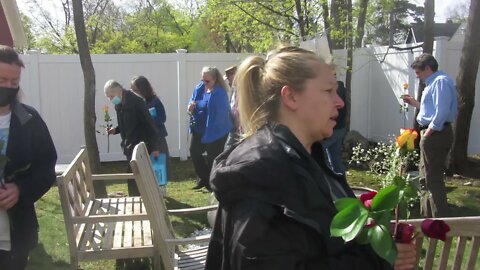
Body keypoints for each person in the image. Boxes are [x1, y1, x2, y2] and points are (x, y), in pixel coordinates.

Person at [205, 47, 416, 269]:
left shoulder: (309, 160)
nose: (339, 102)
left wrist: (375, 241)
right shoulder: (262, 173)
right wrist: (374, 261)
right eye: (328, 91)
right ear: (291, 97)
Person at [0, 45, 57, 270]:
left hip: (15, 233)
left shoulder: (29, 119)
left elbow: (46, 168)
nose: (8, 87)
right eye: (2, 79)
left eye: (14, 82)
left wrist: (21, 189)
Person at [402, 53, 457, 218]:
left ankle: (439, 220)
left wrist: (429, 133)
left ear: (427, 68)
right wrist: (415, 104)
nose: (417, 76)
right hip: (431, 133)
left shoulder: (441, 82)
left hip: (436, 134)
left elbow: (442, 112)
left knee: (432, 180)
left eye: (418, 72)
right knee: (425, 179)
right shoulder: (433, 82)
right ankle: (427, 217)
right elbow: (431, 110)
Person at [104, 80, 159, 195]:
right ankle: (139, 197)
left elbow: (149, 125)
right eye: (108, 97)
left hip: (140, 144)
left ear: (119, 91)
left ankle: (138, 198)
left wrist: (154, 147)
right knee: (135, 176)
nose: (110, 100)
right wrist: (116, 130)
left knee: (134, 176)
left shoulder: (136, 101)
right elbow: (126, 123)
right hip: (128, 145)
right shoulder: (118, 104)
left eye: (111, 96)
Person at [188, 66, 233, 190]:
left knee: (213, 157)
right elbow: (192, 100)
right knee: (194, 151)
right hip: (199, 128)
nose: (204, 83)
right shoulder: (199, 88)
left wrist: (210, 134)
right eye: (203, 80)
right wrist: (190, 107)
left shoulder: (220, 93)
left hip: (216, 130)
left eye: (207, 81)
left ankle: (211, 182)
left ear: (215, 80)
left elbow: (221, 116)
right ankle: (204, 178)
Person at [130, 75, 171, 179]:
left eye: (135, 89)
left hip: (157, 138)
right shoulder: (135, 103)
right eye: (132, 89)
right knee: (147, 165)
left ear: (143, 89)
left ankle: (161, 187)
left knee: (159, 163)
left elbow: (162, 118)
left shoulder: (155, 101)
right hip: (144, 139)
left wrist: (149, 121)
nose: (133, 92)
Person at [322, 71, 348, 175]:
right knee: (335, 158)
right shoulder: (341, 87)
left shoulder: (333, 89)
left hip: (333, 129)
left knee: (316, 154)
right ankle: (341, 184)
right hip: (341, 128)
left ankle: (327, 181)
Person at [224, 65, 242, 149]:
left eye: (229, 78)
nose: (227, 80)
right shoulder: (234, 89)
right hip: (233, 127)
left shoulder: (242, 89)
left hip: (240, 128)